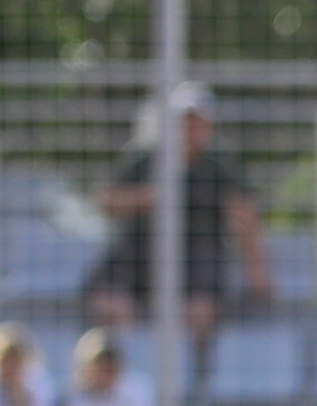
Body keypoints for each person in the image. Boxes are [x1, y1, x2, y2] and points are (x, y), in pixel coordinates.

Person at [87, 83, 271, 349]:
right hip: (140, 253)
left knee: (200, 311)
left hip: (197, 258)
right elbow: (105, 199)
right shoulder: (144, 159)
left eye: (198, 122)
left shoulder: (219, 168)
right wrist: (147, 198)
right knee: (109, 302)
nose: (191, 129)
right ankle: (138, 365)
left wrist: (259, 272)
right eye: (186, 121)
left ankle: (184, 377)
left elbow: (246, 217)